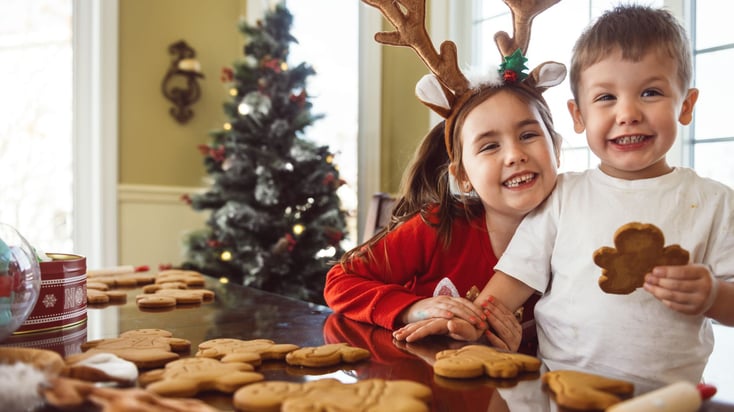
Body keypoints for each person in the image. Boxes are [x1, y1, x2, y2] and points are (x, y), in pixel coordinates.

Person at [395, 4, 734, 389]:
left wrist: (714, 295)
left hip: (669, 399)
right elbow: (506, 289)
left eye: (651, 92)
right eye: (606, 97)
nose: (628, 113)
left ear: (685, 106)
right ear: (578, 116)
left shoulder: (716, 203)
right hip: (558, 391)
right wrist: (463, 323)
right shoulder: (562, 197)